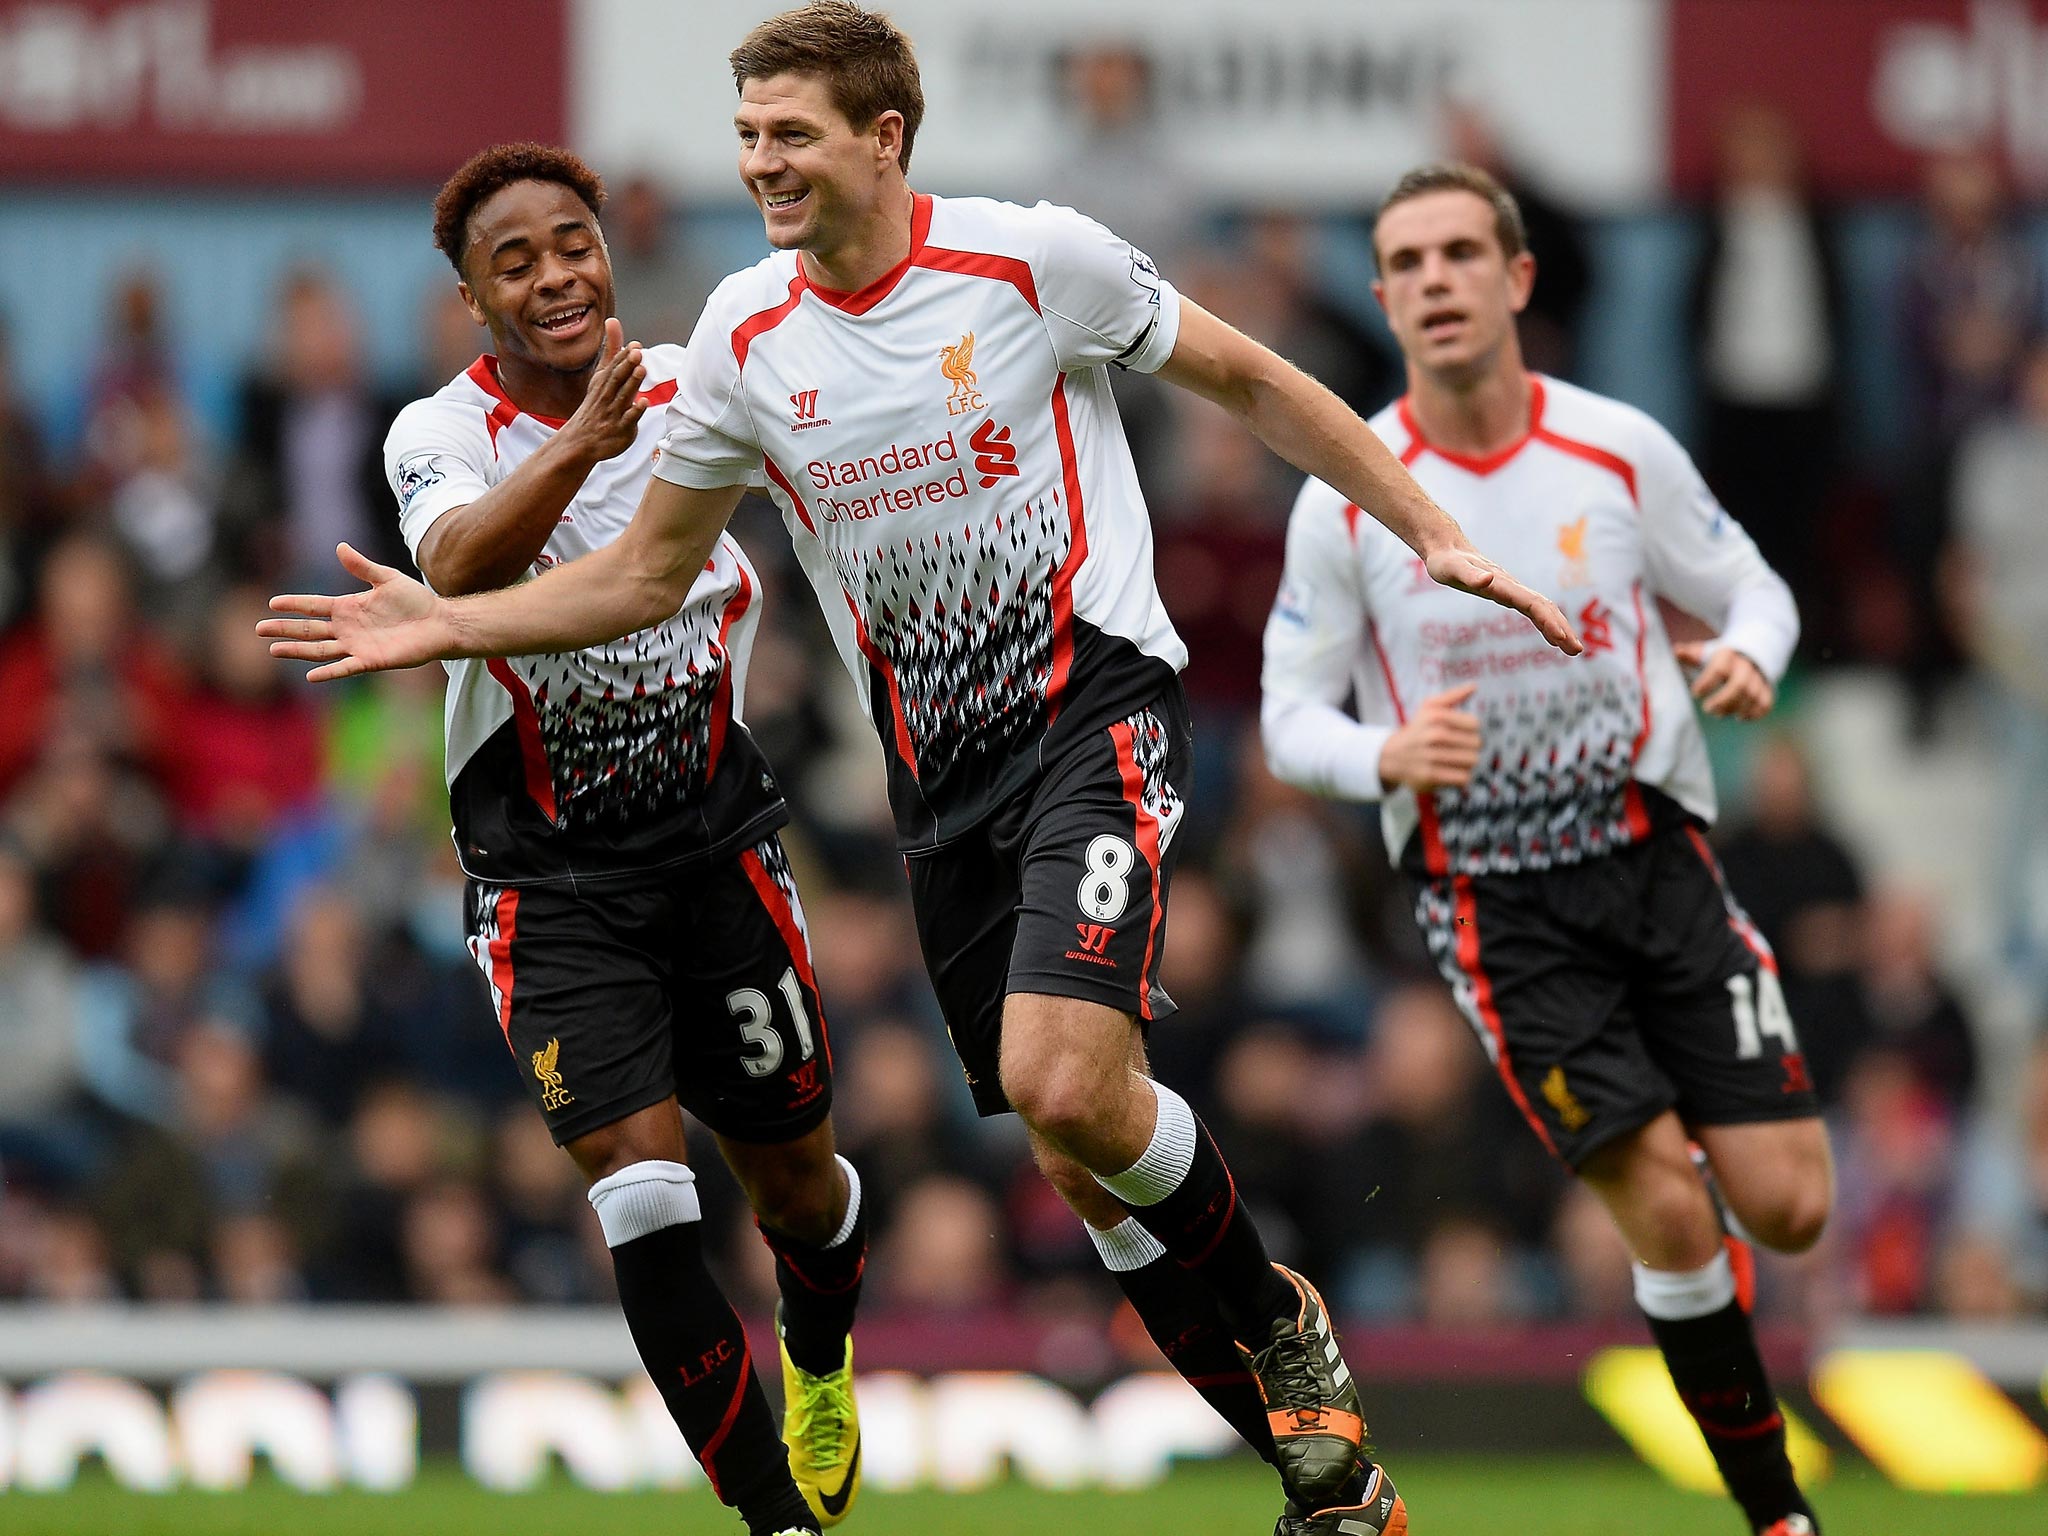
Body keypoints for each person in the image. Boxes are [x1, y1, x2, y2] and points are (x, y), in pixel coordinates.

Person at [263, 10, 1577, 1529]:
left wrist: (1432, 528)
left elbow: (1260, 383)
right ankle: (1325, 1477)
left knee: (1060, 1082)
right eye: (748, 136)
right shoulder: (745, 339)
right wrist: (454, 621)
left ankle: (1283, 1322)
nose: (762, 162)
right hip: (937, 794)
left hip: (1094, 711)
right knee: (1093, 1174)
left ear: (886, 136)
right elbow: (640, 576)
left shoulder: (1036, 261)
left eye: (792, 134)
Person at [1260, 162, 1828, 1536]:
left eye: (1462, 252)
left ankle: (1697, 1186)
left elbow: (1748, 584)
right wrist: (1382, 754)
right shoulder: (1349, 500)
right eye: (1407, 261)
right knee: (1673, 1224)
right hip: (1495, 903)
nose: (1437, 278)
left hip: (1656, 860)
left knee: (1791, 1206)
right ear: (1385, 299)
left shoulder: (1617, 448)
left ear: (1518, 280)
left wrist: (1747, 654)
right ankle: (1781, 1517)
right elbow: (1287, 717)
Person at [376, 145, 867, 1536]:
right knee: (644, 1188)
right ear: (475, 299)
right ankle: (776, 1520)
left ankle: (820, 1354)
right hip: (550, 886)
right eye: (514, 262)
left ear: (607, 251)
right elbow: (457, 569)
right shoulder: (437, 433)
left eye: (571, 244)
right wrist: (582, 446)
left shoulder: (701, 392)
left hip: (718, 848)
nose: (554, 277)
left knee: (800, 1183)